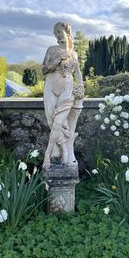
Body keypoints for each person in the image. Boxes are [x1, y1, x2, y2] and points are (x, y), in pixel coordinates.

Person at [42, 22, 84, 169]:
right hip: (50, 88)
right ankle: (64, 150)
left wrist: (81, 88)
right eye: (56, 33)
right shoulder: (52, 50)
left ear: (67, 32)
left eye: (59, 32)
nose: (57, 35)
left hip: (67, 89)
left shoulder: (74, 54)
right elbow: (44, 69)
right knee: (51, 121)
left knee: (59, 122)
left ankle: (47, 155)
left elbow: (78, 74)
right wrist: (58, 59)